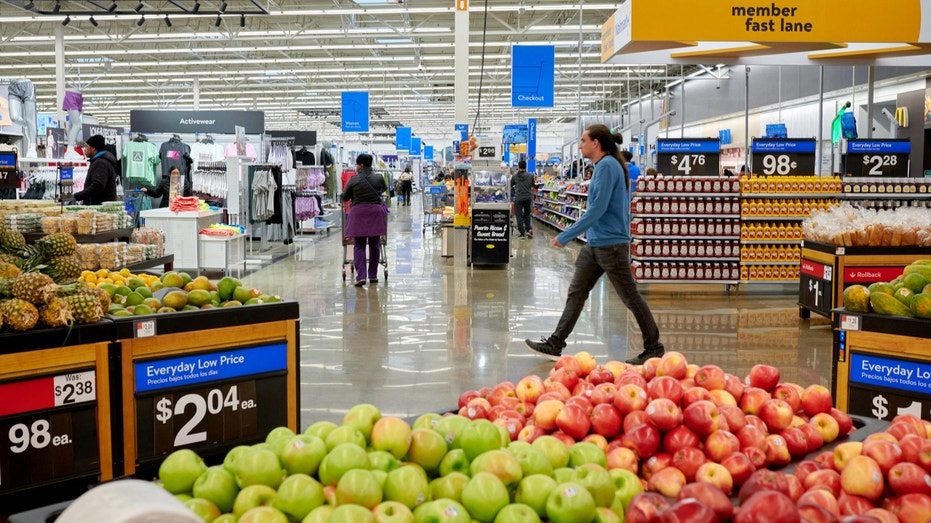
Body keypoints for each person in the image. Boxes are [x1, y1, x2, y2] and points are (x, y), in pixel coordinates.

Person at [524, 123, 664, 364]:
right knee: (576, 293)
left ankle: (654, 346)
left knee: (630, 297)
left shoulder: (608, 166)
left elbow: (597, 209)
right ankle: (555, 343)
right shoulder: (602, 166)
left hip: (611, 245)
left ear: (595, 143)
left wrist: (566, 235)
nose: (579, 145)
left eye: (583, 140)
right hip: (596, 244)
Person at [341, 153, 388, 287]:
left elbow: (345, 196)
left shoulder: (354, 180)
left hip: (359, 212)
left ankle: (361, 276)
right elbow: (383, 189)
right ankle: (373, 275)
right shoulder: (379, 178)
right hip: (375, 213)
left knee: (359, 245)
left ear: (360, 165)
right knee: (375, 244)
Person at [74, 134, 118, 205]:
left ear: (93, 148)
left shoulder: (100, 163)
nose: (84, 149)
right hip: (100, 206)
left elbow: (97, 186)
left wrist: (77, 196)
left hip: (100, 209)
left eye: (86, 146)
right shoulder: (100, 161)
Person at [510, 160, 535, 239]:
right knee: (527, 214)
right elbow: (533, 185)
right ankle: (528, 230)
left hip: (518, 198)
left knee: (519, 216)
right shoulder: (531, 175)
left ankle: (522, 233)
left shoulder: (515, 176)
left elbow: (510, 185)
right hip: (528, 198)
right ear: (526, 166)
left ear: (518, 167)